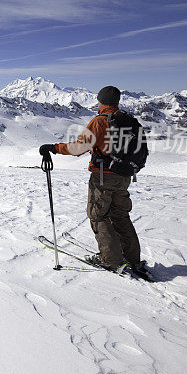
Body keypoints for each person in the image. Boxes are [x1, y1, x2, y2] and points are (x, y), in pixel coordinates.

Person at [39, 85, 144, 275]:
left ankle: (111, 260)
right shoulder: (127, 120)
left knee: (98, 216)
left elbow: (79, 148)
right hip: (125, 176)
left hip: (103, 177)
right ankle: (132, 259)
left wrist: (53, 148)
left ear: (101, 101)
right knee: (120, 216)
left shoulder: (100, 121)